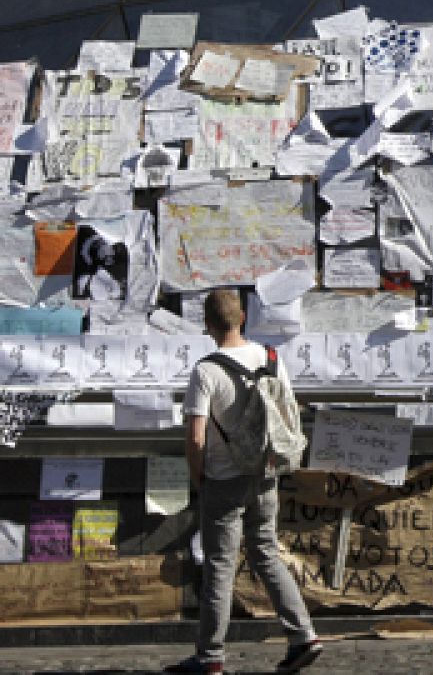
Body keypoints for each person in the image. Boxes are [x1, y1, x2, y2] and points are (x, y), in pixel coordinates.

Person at [165, 289, 323, 674]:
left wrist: (197, 474)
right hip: (265, 475)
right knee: (266, 552)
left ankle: (210, 657)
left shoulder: (206, 371)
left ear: (207, 324)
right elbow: (287, 410)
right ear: (243, 320)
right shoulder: (269, 357)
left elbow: (196, 435)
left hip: (223, 478)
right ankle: (303, 635)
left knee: (220, 565)